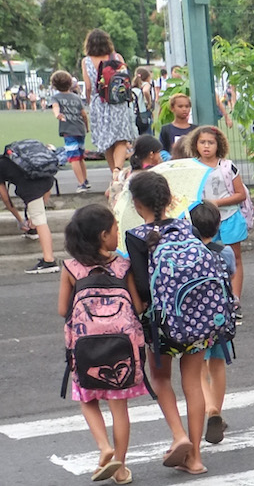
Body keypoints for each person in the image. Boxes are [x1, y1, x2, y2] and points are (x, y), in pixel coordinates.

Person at [125, 172, 209, 475]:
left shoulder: (136, 236)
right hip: (198, 317)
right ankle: (196, 458)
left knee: (161, 379)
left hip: (161, 324)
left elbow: (145, 287)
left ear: (136, 203)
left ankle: (179, 435)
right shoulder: (188, 228)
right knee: (193, 384)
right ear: (168, 198)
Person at [59, 204, 145, 484]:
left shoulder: (71, 267)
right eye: (115, 229)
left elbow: (63, 309)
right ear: (102, 235)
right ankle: (120, 468)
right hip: (121, 352)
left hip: (85, 349)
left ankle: (104, 447)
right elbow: (136, 306)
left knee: (87, 399)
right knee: (119, 409)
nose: (118, 233)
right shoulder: (122, 265)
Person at [189, 201, 236, 443]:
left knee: (198, 368)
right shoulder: (225, 252)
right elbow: (232, 274)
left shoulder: (189, 253)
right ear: (218, 225)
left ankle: (210, 408)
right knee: (218, 365)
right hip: (220, 317)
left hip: (196, 319)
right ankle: (217, 408)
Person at [188, 126, 248, 301]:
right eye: (202, 142)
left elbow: (240, 194)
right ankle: (214, 298)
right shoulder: (193, 168)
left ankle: (235, 299)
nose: (206, 146)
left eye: (211, 142)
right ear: (195, 144)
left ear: (218, 144)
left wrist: (217, 203)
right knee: (205, 257)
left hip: (229, 218)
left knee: (235, 257)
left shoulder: (228, 167)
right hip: (204, 221)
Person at [81, 29, 137, 178]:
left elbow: (88, 86)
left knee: (106, 141)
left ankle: (113, 172)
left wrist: (89, 100)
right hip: (118, 103)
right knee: (121, 138)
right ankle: (118, 170)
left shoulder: (86, 61)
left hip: (99, 103)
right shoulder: (117, 57)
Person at [0, 151, 59, 274]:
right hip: (47, 179)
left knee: (40, 219)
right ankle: (33, 228)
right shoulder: (11, 158)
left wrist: (20, 221)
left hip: (31, 186)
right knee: (37, 212)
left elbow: (5, 198)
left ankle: (49, 261)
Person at [50, 70, 91, 193]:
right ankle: (85, 180)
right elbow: (84, 114)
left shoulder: (56, 97)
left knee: (73, 158)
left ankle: (81, 184)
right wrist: (86, 127)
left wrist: (58, 115)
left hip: (69, 130)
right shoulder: (76, 97)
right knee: (80, 156)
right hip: (80, 129)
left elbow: (55, 108)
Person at [106, 135, 164, 209]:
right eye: (158, 152)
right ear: (151, 154)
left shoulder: (126, 173)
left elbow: (108, 193)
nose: (160, 156)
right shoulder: (155, 173)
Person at [132, 67, 155, 136]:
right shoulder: (146, 84)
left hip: (136, 114)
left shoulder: (135, 87)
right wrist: (149, 102)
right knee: (148, 136)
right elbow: (145, 91)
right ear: (147, 77)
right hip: (145, 114)